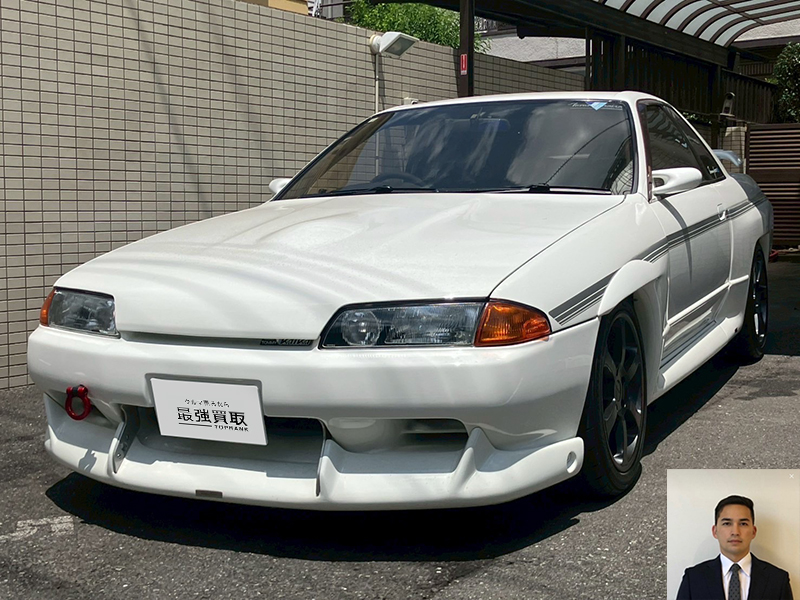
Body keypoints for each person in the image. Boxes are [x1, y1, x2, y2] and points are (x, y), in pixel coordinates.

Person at [677, 495, 793, 600]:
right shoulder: (693, 578)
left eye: (743, 524)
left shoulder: (777, 580)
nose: (735, 532)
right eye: (727, 523)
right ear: (715, 531)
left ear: (753, 531)